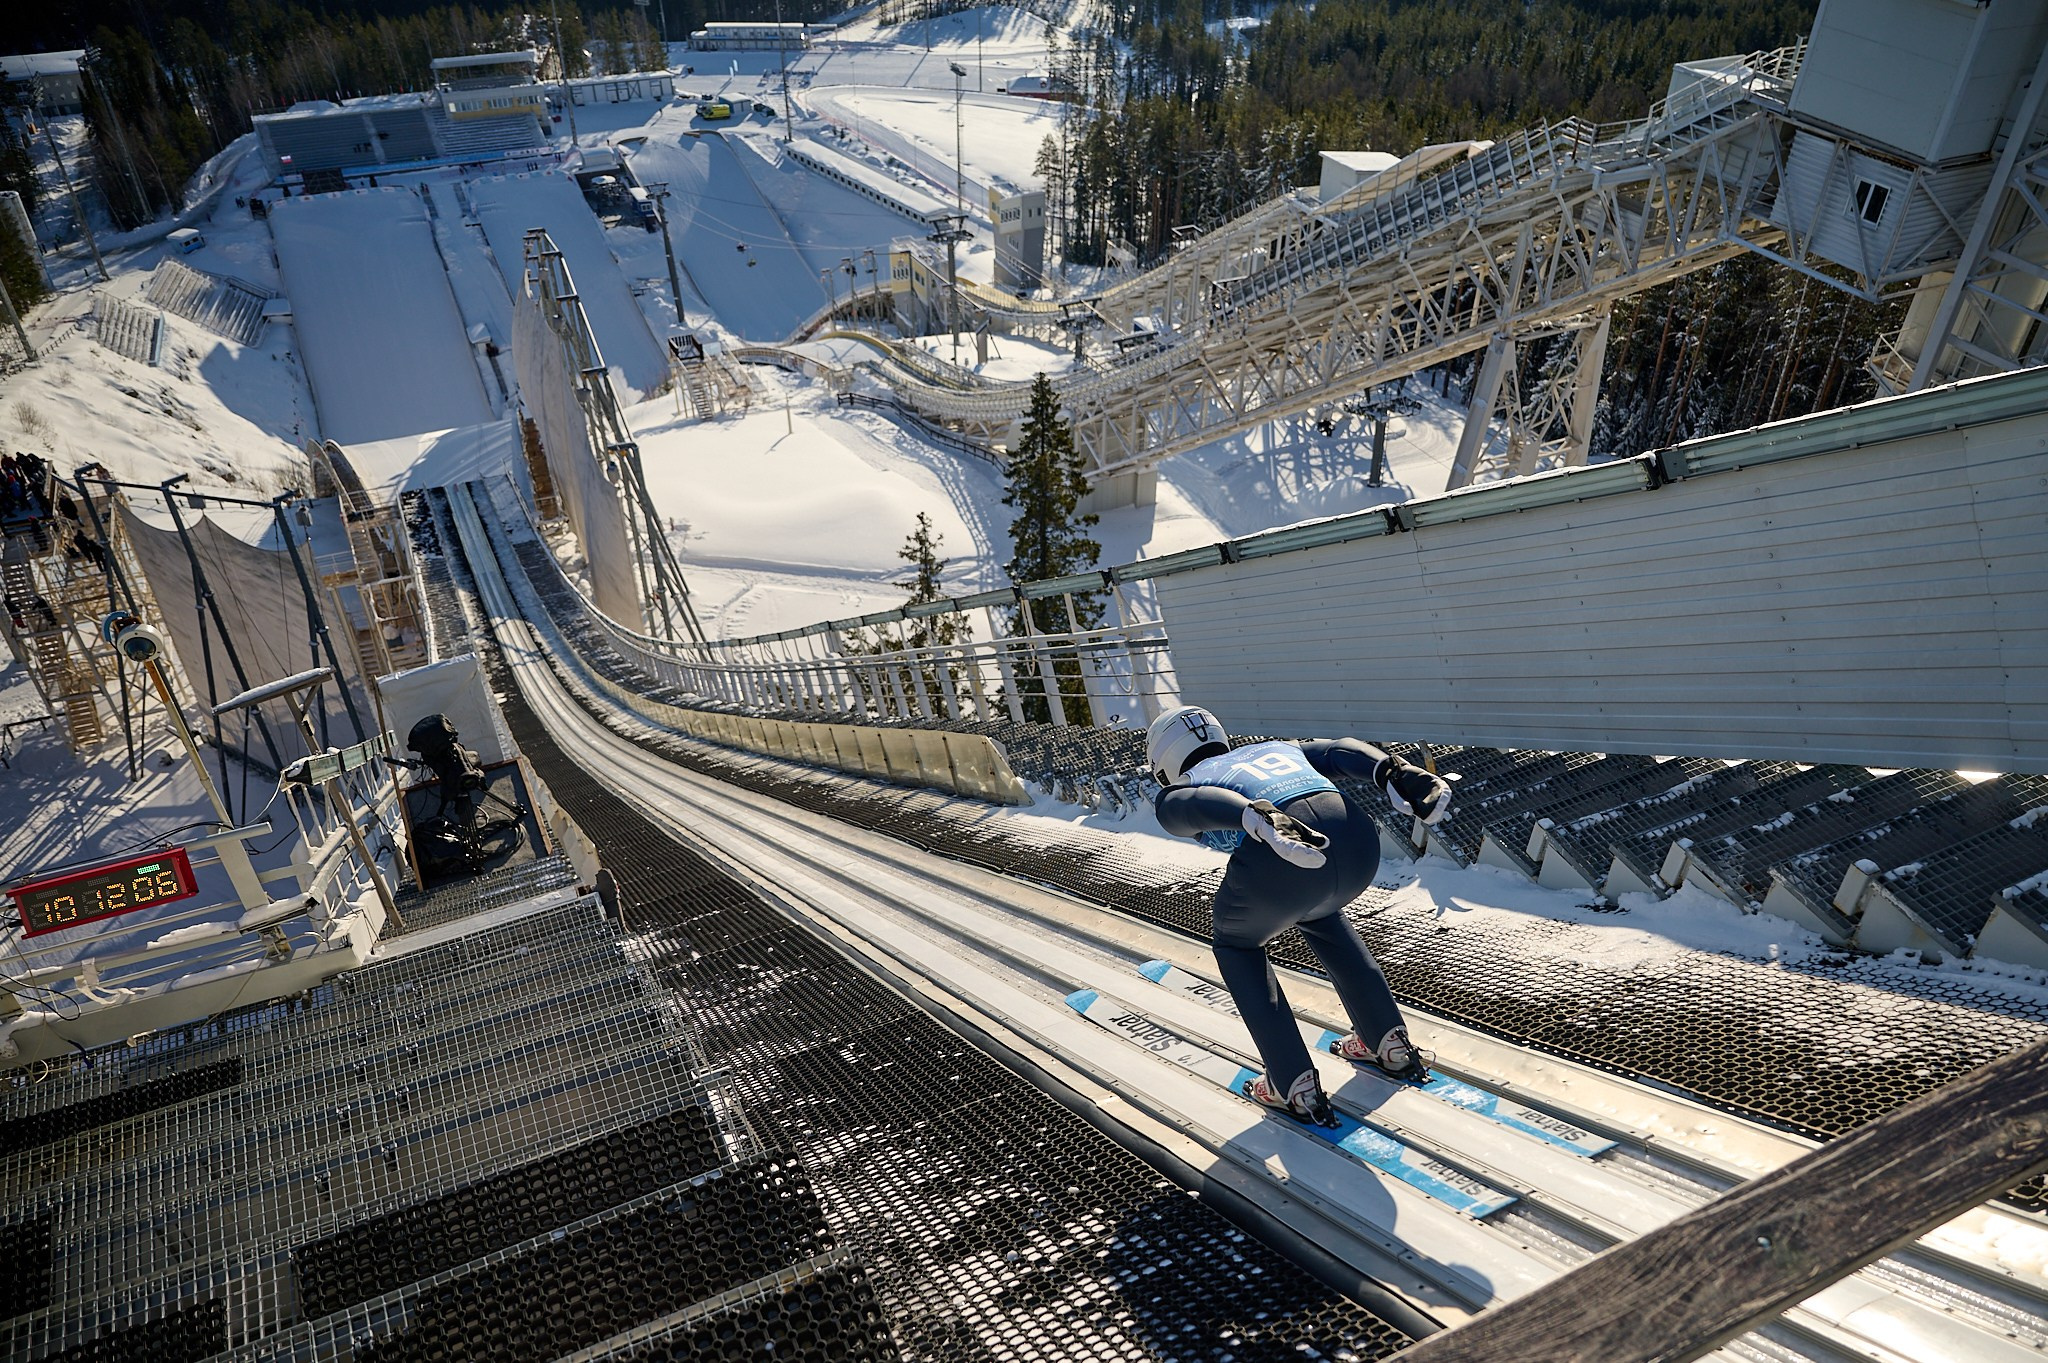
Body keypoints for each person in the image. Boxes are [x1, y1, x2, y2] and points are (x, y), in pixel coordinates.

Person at [1147, 704, 1452, 1126]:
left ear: (1163, 762)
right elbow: (1335, 751)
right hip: (1357, 842)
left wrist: (1248, 815)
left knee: (1237, 944)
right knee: (1321, 912)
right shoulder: (1273, 748)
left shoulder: (1192, 780)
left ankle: (1292, 1083)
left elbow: (1178, 806)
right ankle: (1388, 1043)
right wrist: (1389, 770)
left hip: (1284, 860)